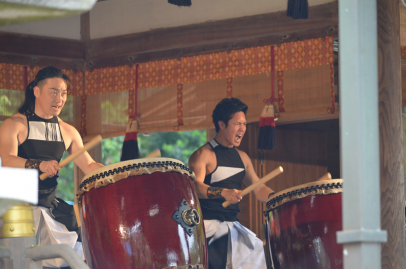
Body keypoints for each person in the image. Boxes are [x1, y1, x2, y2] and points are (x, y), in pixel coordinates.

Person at [0, 66, 104, 268]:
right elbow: (7, 160)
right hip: (14, 209)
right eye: (54, 92)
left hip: (49, 207)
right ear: (37, 91)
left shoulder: (68, 131)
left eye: (64, 93)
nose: (60, 98)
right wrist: (39, 165)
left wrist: (117, 172)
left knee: (82, 251)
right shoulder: (14, 124)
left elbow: (89, 164)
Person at [189, 98, 275, 269]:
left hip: (232, 227)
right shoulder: (203, 154)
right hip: (207, 229)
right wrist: (222, 192)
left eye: (244, 123)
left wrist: (278, 198)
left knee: (258, 256)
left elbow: (259, 188)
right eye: (237, 123)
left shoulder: (243, 158)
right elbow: (195, 187)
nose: (242, 128)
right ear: (222, 124)